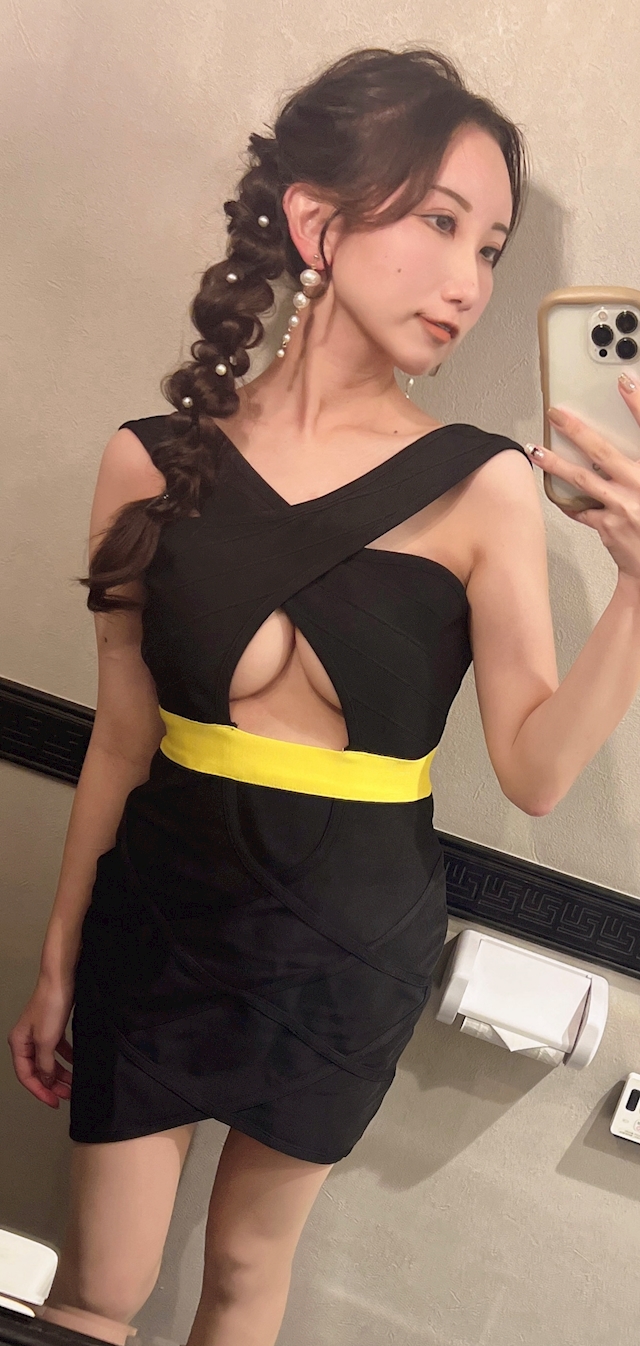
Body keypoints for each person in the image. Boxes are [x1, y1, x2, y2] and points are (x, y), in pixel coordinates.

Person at [9, 43, 640, 1346]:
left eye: (491, 249)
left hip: (352, 945)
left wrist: (639, 588)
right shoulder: (152, 463)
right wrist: (61, 953)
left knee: (247, 1279)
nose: (470, 284)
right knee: (93, 1292)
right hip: (161, 909)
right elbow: (122, 738)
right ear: (317, 221)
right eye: (440, 224)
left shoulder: (482, 482)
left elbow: (534, 772)